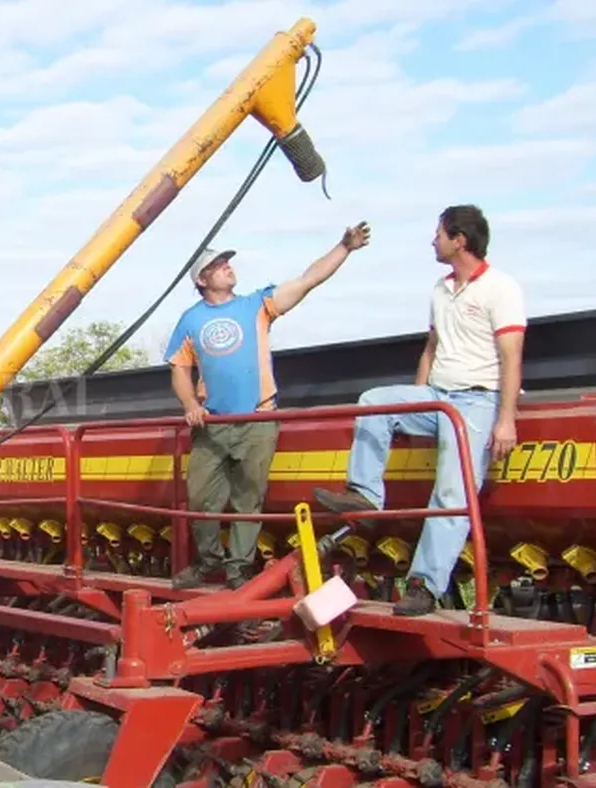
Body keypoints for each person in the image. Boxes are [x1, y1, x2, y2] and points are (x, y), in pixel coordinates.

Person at [313, 205, 523, 617]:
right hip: (438, 395)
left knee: (452, 493)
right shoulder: (440, 290)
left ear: (459, 239)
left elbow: (511, 356)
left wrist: (506, 418)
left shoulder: (501, 288)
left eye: (439, 234)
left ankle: (424, 585)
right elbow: (431, 348)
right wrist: (418, 399)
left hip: (477, 400)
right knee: (374, 400)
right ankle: (367, 495)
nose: (433, 240)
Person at [166, 223, 371, 590]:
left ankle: (237, 569)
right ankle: (207, 560)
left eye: (228, 261)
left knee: (248, 499)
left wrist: (344, 247)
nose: (228, 266)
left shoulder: (257, 305)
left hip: (258, 418)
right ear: (201, 280)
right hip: (211, 424)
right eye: (219, 264)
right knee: (200, 499)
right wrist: (189, 404)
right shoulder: (190, 320)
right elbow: (179, 367)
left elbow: (307, 280)